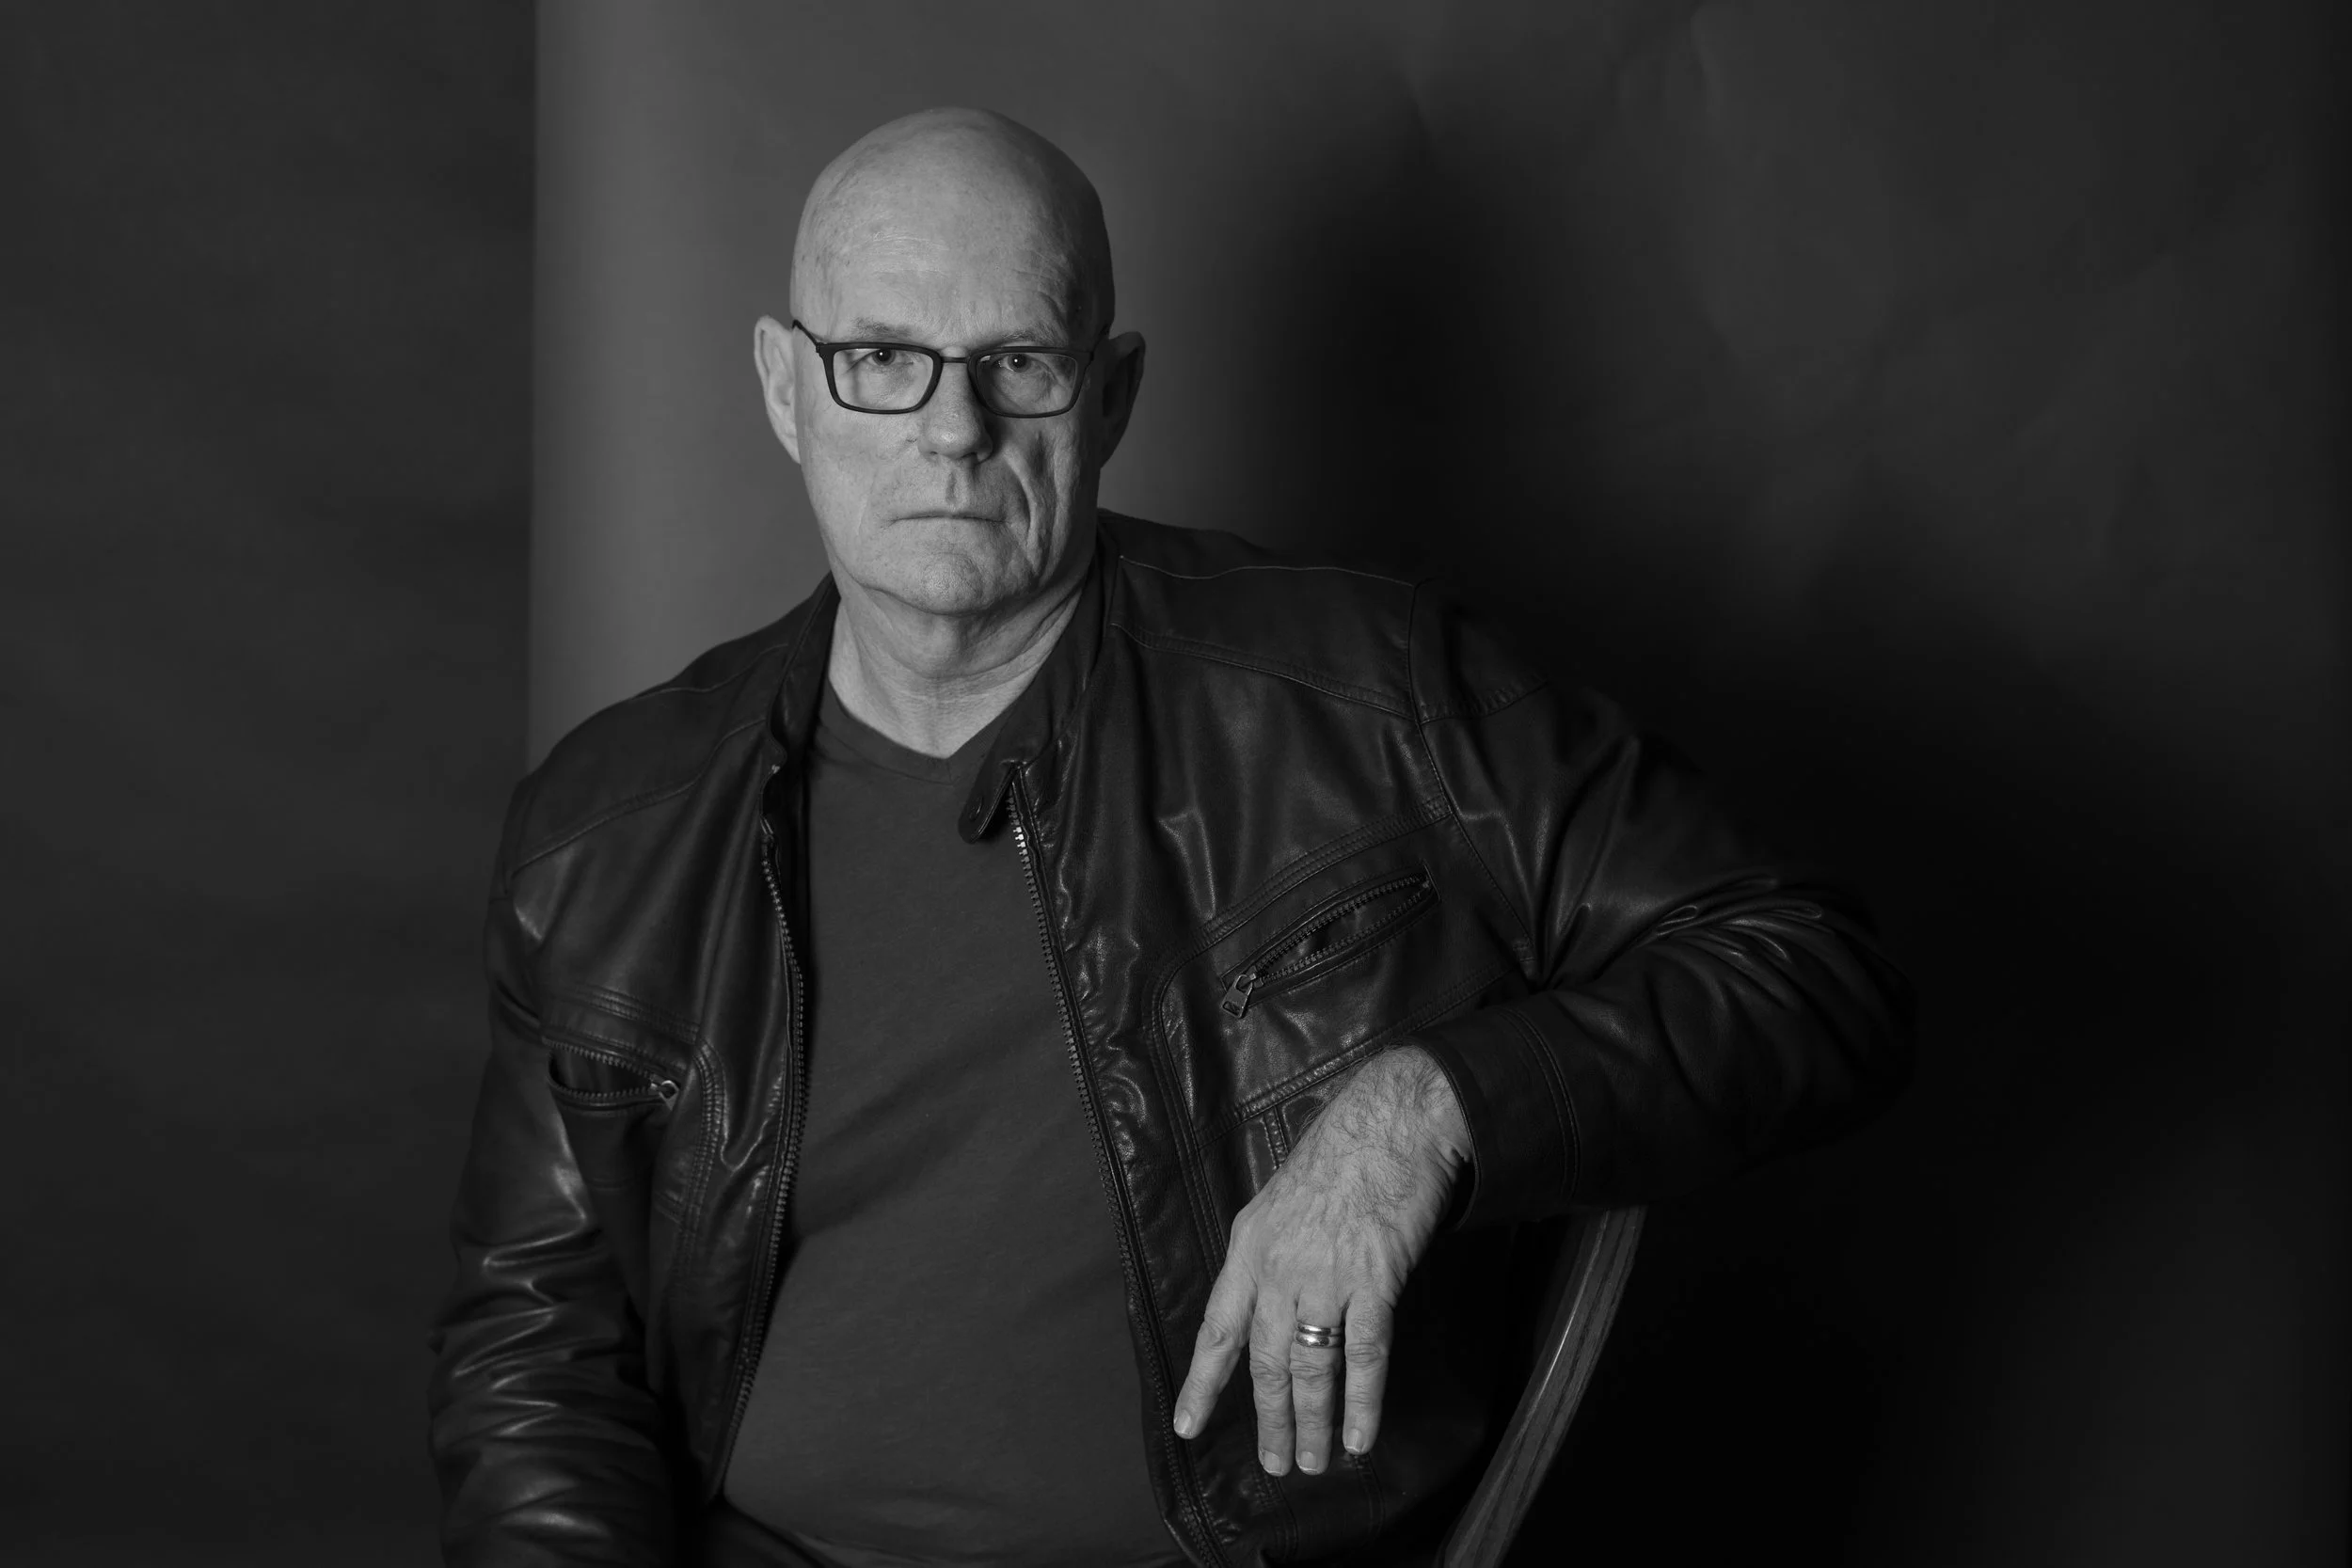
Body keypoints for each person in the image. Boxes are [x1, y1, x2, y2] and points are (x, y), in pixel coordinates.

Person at [426, 106, 1913, 1568]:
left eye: (1019, 361)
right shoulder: (608, 829)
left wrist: (1424, 1110)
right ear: (783, 386)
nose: (952, 431)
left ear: (1112, 395)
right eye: (881, 359)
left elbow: (1809, 969)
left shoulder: (1372, 697)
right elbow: (539, 1347)